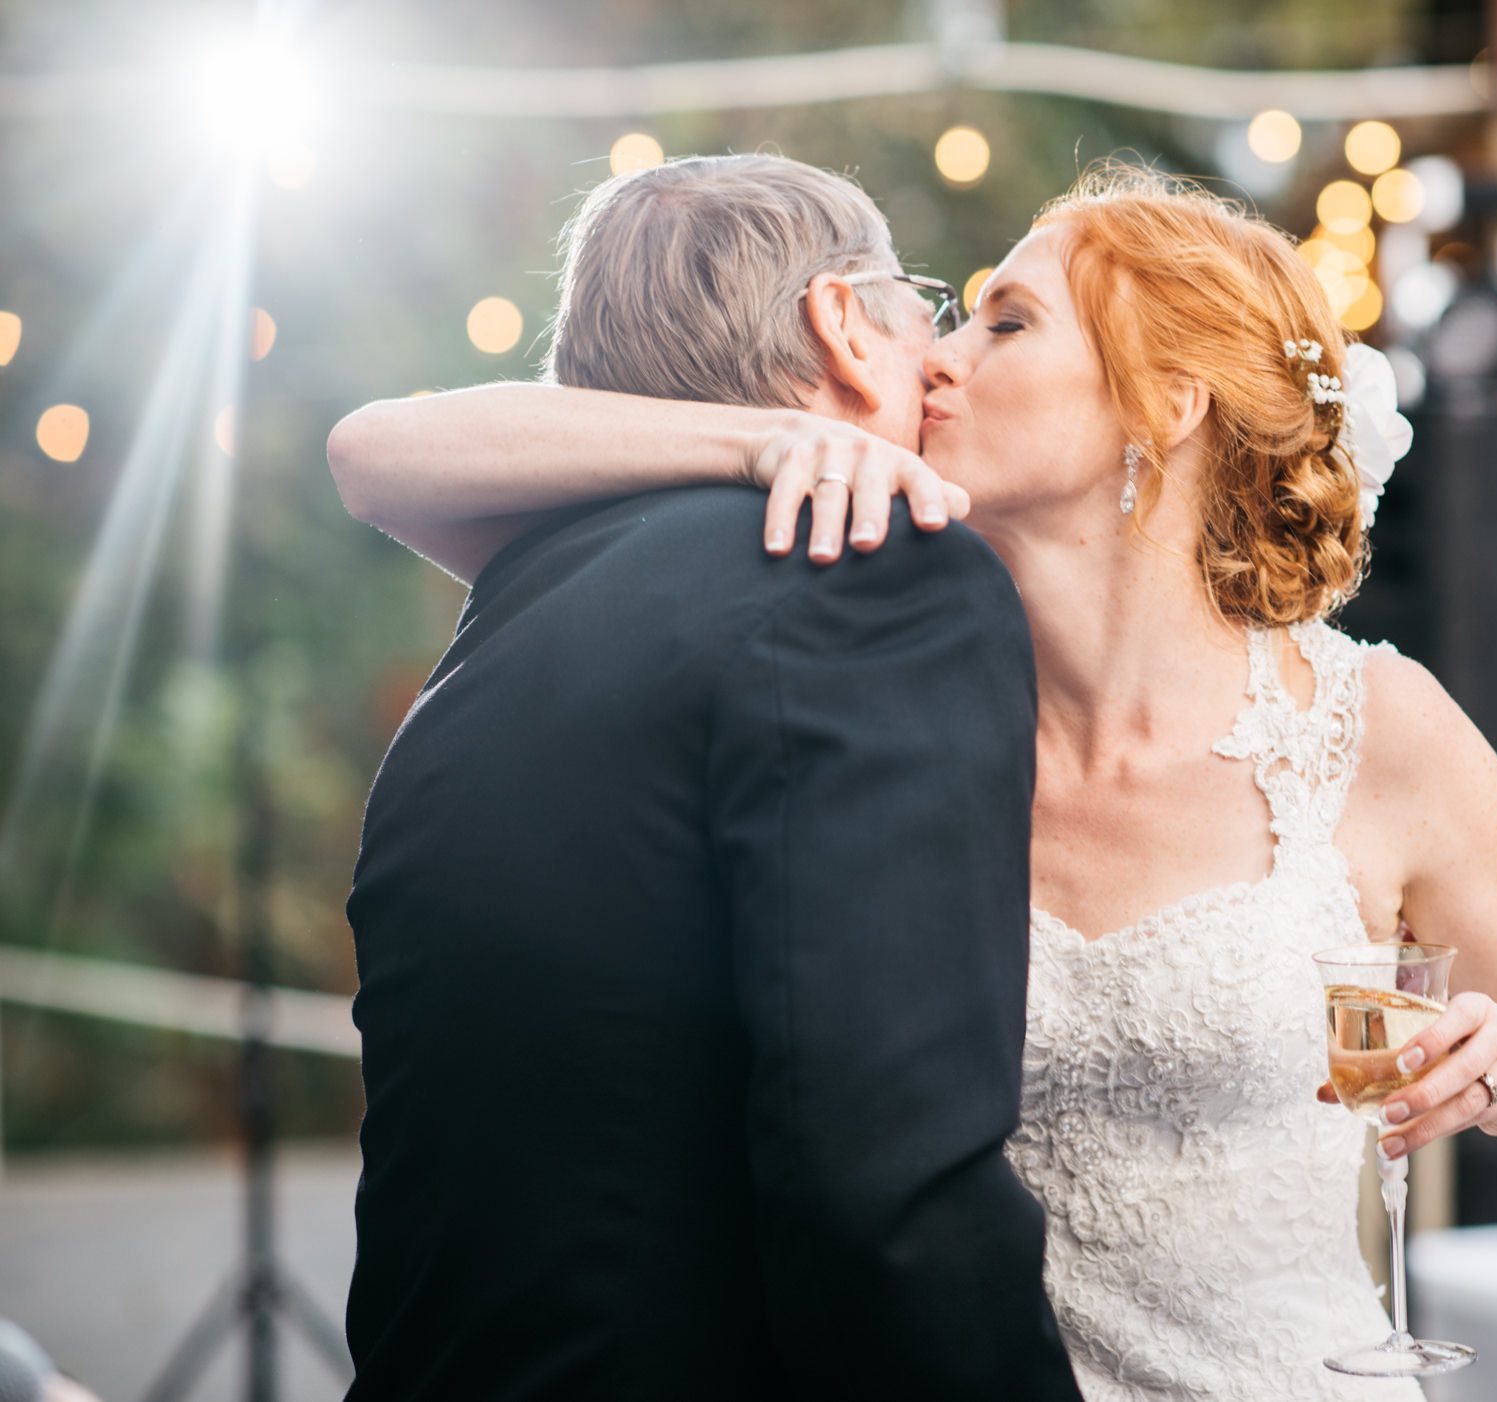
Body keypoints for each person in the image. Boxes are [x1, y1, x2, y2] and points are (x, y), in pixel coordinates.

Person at [331, 156, 1497, 1401]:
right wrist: (748, 439)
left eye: (1004, 321)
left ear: (1163, 404)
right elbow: (386, 451)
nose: (934, 358)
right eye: (951, 314)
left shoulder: (1376, 724)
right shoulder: (881, 674)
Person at [338, 155, 1080, 1400]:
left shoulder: (514, 602)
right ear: (844, 321)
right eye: (925, 306)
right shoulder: (866, 573)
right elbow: (890, 1187)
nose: (943, 357)